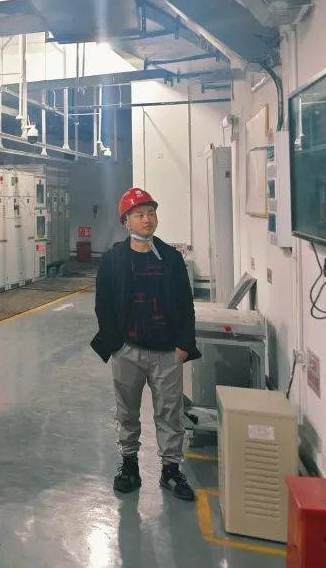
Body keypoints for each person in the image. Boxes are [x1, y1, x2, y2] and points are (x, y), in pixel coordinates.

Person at [90, 187, 201, 501]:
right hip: (128, 351)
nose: (147, 219)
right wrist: (116, 345)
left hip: (167, 352)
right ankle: (129, 465)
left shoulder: (171, 259)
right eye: (139, 214)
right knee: (127, 411)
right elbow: (103, 306)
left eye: (151, 213)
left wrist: (183, 346)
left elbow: (186, 305)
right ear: (126, 221)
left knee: (170, 413)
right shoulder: (113, 260)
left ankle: (170, 470)